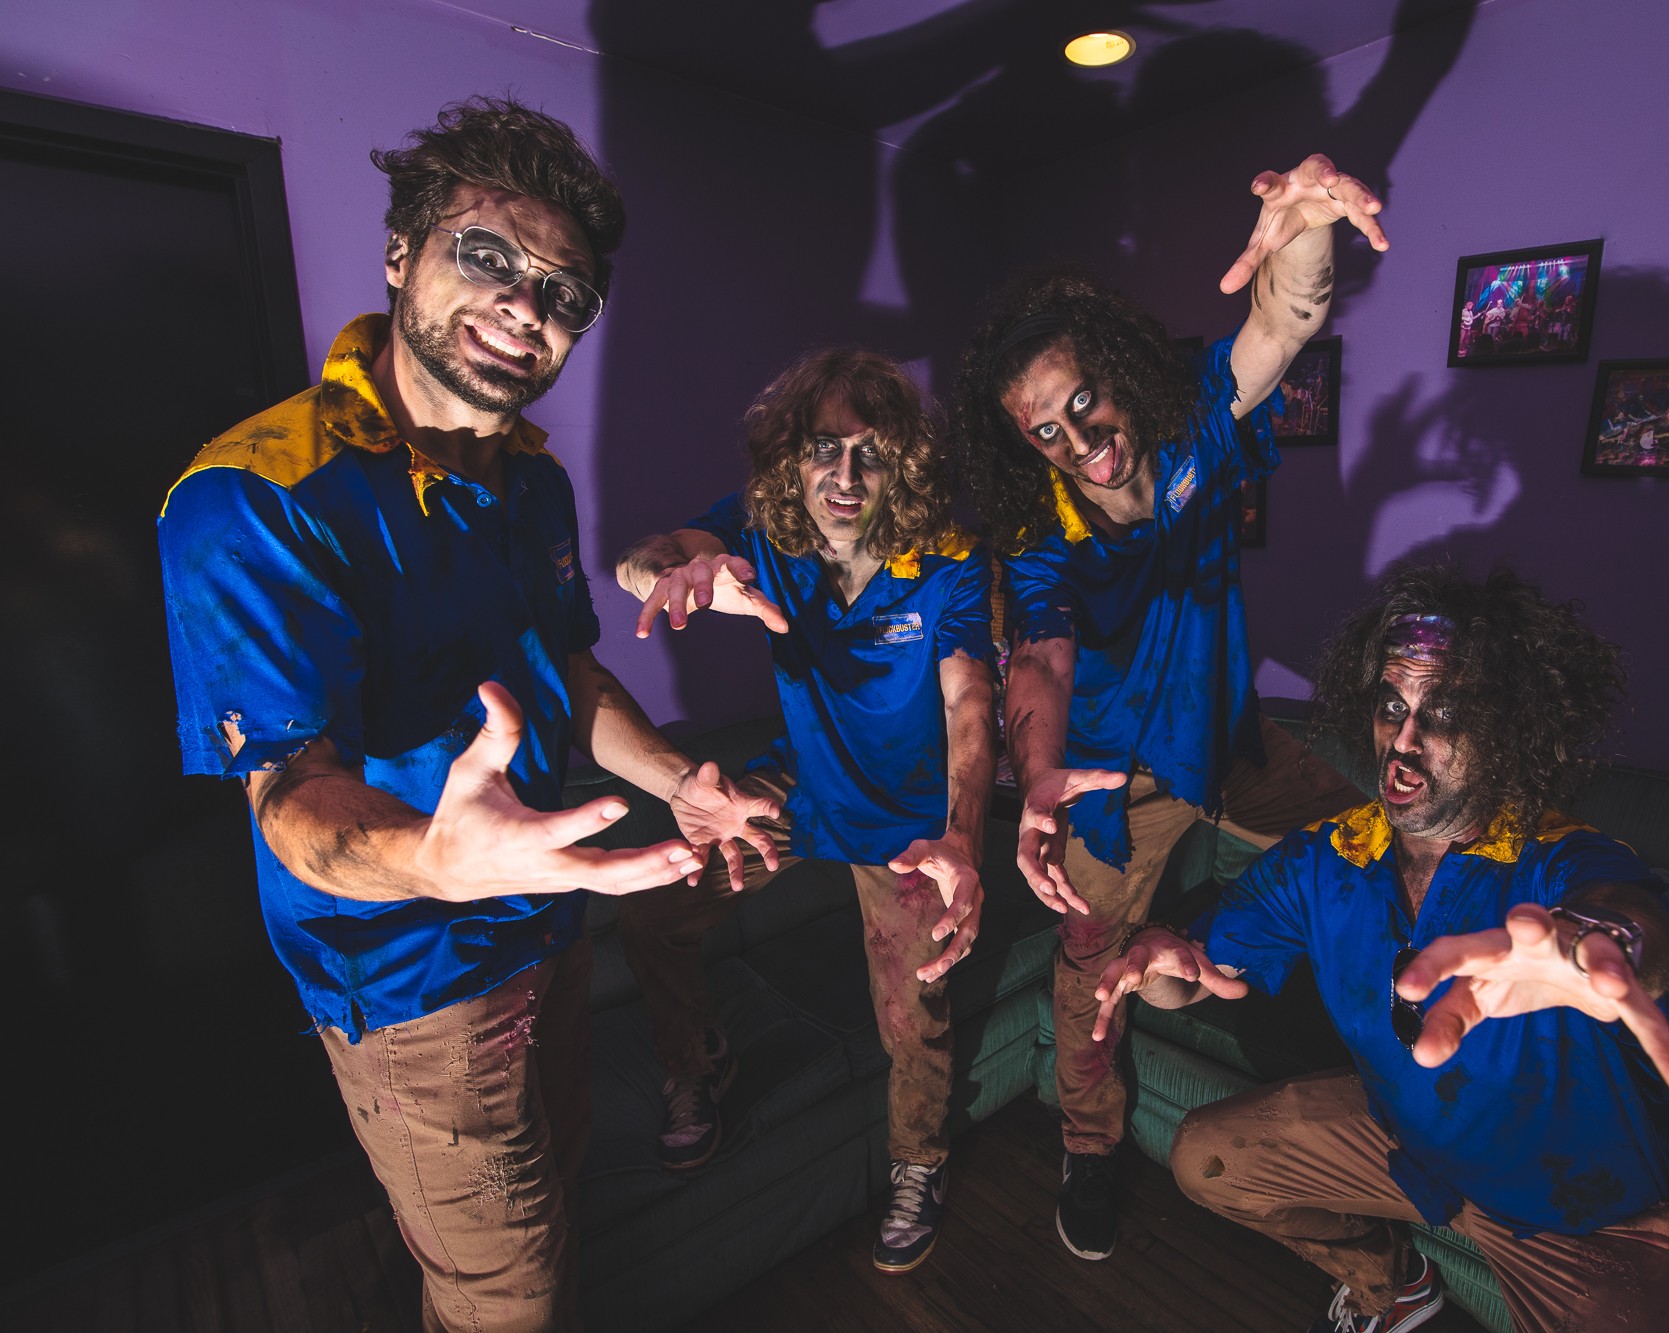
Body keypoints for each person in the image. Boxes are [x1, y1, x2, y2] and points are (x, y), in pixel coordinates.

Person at [157, 97, 778, 1333]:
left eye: (561, 292)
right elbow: (286, 793)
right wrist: (434, 860)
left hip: (548, 923)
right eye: (485, 256)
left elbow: (569, 674)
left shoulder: (530, 482)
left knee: (555, 1203)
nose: (523, 305)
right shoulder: (256, 495)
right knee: (507, 1292)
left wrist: (677, 780)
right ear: (400, 256)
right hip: (411, 976)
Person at [1091, 563, 1669, 1333]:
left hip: (1584, 1212)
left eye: (1444, 711)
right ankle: (1395, 1285)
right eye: (1393, 704)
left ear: (1508, 732)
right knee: (1207, 1156)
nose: (1405, 739)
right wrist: (1161, 963)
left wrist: (1598, 944)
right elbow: (1195, 980)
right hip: (1411, 1149)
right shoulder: (1327, 858)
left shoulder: (1557, 856)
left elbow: (1635, 926)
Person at [949, 153, 1383, 1261]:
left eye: (1080, 399)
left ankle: (1395, 1088)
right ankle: (1088, 1154)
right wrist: (1038, 770)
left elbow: (1280, 327)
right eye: (1043, 429)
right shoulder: (1043, 527)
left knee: (1384, 860)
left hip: (1228, 744)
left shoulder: (1189, 412)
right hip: (1107, 781)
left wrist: (1304, 227)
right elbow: (1039, 655)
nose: (1077, 437)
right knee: (1088, 975)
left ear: (1115, 369)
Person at [614, 348, 997, 1273]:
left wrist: (962, 835)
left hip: (908, 822)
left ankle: (919, 1160)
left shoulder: (946, 561)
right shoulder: (766, 535)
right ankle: (699, 1060)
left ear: (903, 460)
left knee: (914, 1008)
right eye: (825, 448)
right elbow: (651, 558)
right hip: (802, 787)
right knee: (654, 902)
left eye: (870, 452)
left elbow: (969, 704)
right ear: (793, 457)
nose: (846, 476)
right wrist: (671, 576)